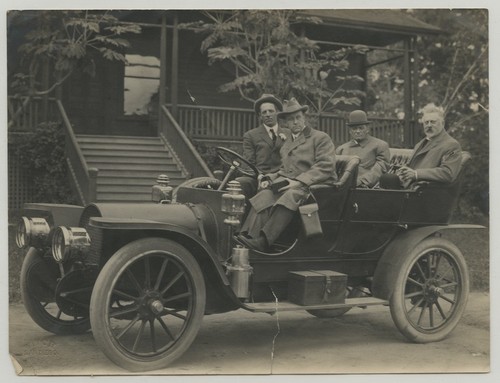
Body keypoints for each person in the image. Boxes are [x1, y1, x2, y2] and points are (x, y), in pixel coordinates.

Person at [236, 98, 337, 252]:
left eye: (298, 118)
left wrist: (300, 182)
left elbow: (326, 166)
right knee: (266, 194)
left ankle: (264, 241)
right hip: (291, 184)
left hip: (316, 187)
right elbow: (284, 169)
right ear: (286, 123)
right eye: (291, 120)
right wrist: (269, 178)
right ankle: (248, 237)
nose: (295, 122)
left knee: (290, 195)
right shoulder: (287, 142)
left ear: (304, 118)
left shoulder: (320, 137)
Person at [381, 103, 462, 189]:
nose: (429, 125)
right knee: (385, 179)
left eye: (433, 122)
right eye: (426, 122)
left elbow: (448, 173)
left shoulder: (451, 145)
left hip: (428, 192)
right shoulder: (420, 144)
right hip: (411, 189)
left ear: (442, 123)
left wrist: (416, 174)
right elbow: (412, 167)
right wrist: (403, 173)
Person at [237, 94, 290, 197]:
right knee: (240, 183)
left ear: (277, 113)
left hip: (282, 176)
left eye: (271, 111)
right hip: (258, 177)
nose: (268, 114)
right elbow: (248, 163)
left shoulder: (288, 134)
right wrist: (259, 176)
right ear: (260, 116)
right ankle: (241, 212)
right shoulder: (251, 135)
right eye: (264, 112)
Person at [336, 110, 390, 188]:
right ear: (350, 131)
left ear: (367, 129)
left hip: (366, 188)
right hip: (343, 187)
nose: (358, 131)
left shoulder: (380, 145)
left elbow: (381, 168)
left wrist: (362, 181)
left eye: (361, 128)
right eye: (354, 129)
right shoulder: (341, 149)